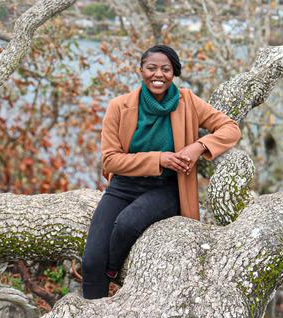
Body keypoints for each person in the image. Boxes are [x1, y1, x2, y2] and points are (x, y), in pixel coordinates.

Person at [82, 45, 241, 299]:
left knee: (126, 224)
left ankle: (111, 273)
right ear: (141, 70)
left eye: (165, 69)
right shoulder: (119, 106)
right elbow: (110, 160)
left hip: (167, 188)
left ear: (174, 73)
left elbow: (230, 128)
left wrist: (199, 146)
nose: (158, 74)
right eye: (151, 68)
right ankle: (93, 309)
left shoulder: (188, 102)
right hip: (123, 186)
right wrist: (159, 158)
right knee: (90, 263)